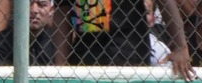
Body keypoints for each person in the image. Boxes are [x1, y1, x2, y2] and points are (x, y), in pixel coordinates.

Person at [56, 0, 194, 74]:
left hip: (128, 53)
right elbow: (62, 10)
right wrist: (59, 66)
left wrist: (181, 46)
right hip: (87, 53)